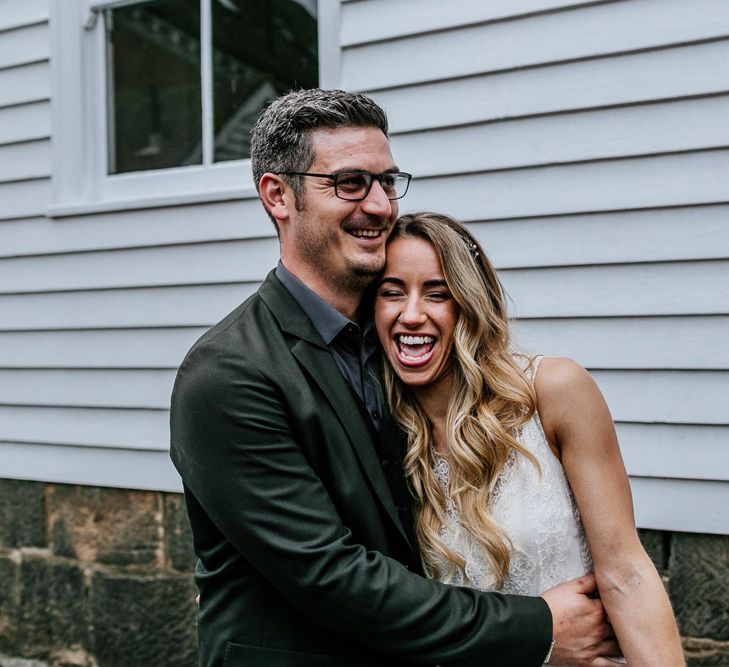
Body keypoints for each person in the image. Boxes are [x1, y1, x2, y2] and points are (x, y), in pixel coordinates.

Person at [170, 88, 617, 667]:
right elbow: (330, 574)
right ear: (278, 195)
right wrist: (539, 628)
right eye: (350, 183)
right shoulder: (227, 374)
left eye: (387, 181)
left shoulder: (402, 341)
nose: (380, 206)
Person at [373, 211, 685, 666]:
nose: (412, 314)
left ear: (469, 304)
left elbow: (626, 573)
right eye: (392, 293)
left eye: (437, 293)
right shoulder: (378, 435)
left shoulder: (554, 391)